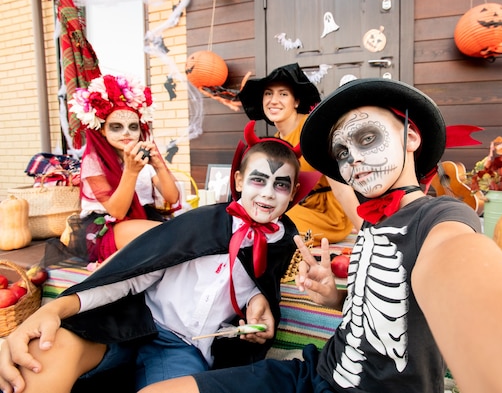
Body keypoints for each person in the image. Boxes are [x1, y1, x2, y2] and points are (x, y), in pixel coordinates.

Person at [133, 78, 502, 393]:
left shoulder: (442, 218)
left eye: (366, 138)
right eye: (343, 154)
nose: (354, 161)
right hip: (314, 372)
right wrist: (332, 296)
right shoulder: (373, 222)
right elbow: (374, 310)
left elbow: (460, 267)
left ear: (411, 137)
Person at [0, 121, 319, 393]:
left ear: (292, 194)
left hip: (185, 346)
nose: (266, 193)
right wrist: (55, 307)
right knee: (44, 356)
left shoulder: (282, 242)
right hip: (129, 321)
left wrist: (256, 308)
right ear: (237, 180)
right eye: (258, 180)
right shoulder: (201, 224)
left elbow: (258, 284)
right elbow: (131, 274)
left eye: (280, 185)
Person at [238, 63, 362, 244]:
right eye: (268, 93)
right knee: (247, 212)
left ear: (296, 101)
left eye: (283, 94)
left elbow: (342, 189)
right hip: (289, 206)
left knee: (265, 220)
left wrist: (366, 234)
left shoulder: (314, 131)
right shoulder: (275, 140)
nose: (273, 100)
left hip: (327, 214)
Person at [66, 73, 181, 265]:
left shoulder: (141, 154)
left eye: (133, 126)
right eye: (116, 127)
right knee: (169, 236)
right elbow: (117, 212)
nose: (127, 133)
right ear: (102, 130)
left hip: (141, 219)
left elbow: (172, 198)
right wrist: (131, 171)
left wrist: (159, 166)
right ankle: (109, 265)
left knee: (182, 234)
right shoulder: (94, 161)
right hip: (107, 226)